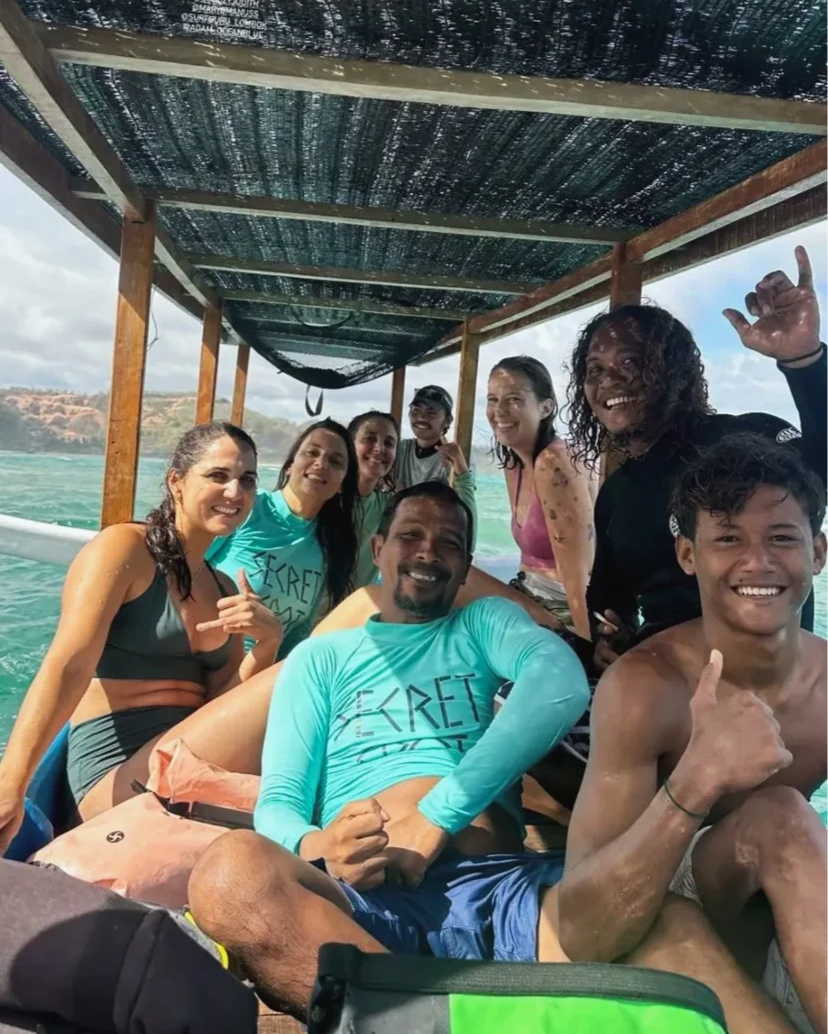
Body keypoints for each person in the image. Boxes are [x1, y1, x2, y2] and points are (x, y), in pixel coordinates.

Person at [187, 481, 590, 1017]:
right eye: (410, 536)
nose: (428, 552)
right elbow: (279, 803)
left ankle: (411, 1015)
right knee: (227, 873)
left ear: (465, 569)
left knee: (662, 916)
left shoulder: (481, 624)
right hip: (365, 903)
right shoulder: (321, 659)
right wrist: (322, 847)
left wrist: (436, 817)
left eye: (449, 543)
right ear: (378, 550)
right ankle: (424, 1017)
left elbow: (559, 681)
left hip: (496, 890)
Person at [558, 434, 828, 1034]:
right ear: (687, 554)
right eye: (728, 538)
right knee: (780, 815)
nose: (757, 562)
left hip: (770, 909)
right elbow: (581, 929)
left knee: (786, 824)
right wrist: (696, 779)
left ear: (819, 552)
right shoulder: (646, 688)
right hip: (649, 905)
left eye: (782, 538)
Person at [0, 422, 283, 844]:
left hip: (187, 763)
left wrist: (267, 644)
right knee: (308, 665)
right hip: (115, 776)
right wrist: (11, 782)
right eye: (218, 475)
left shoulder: (224, 587)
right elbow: (69, 665)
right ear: (176, 481)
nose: (234, 492)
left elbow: (223, 706)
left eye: (247, 480)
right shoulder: (126, 549)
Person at [565, 246, 828, 669]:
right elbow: (609, 603)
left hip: (771, 685)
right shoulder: (617, 493)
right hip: (665, 688)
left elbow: (821, 476)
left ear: (675, 369)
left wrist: (805, 362)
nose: (609, 379)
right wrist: (612, 643)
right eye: (594, 369)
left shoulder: (744, 439)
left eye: (631, 362)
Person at [207, 418, 360, 656]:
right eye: (312, 452)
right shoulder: (248, 507)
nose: (321, 463)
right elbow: (186, 568)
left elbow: (299, 629)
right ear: (289, 465)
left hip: (262, 670)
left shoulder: (330, 544)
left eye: (335, 461)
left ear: (342, 483)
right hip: (204, 656)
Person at [487, 355, 596, 639]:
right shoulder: (514, 464)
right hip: (528, 593)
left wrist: (586, 645)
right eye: (492, 399)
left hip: (562, 607)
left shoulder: (554, 462)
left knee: (455, 578)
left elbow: (580, 577)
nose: (499, 410)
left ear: (546, 408)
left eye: (513, 399)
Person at [347, 410, 399, 589]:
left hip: (356, 605)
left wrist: (462, 475)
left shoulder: (390, 507)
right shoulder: (324, 496)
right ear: (349, 445)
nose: (380, 448)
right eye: (370, 439)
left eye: (389, 443)